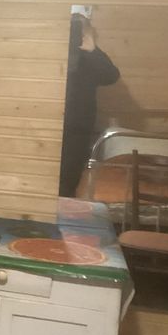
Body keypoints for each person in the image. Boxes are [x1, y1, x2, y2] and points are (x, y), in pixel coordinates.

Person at [59, 13, 120, 197]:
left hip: (78, 124)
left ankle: (65, 206)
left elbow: (111, 77)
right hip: (51, 120)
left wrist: (93, 51)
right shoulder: (53, 49)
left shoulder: (91, 56)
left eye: (80, 29)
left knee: (70, 174)